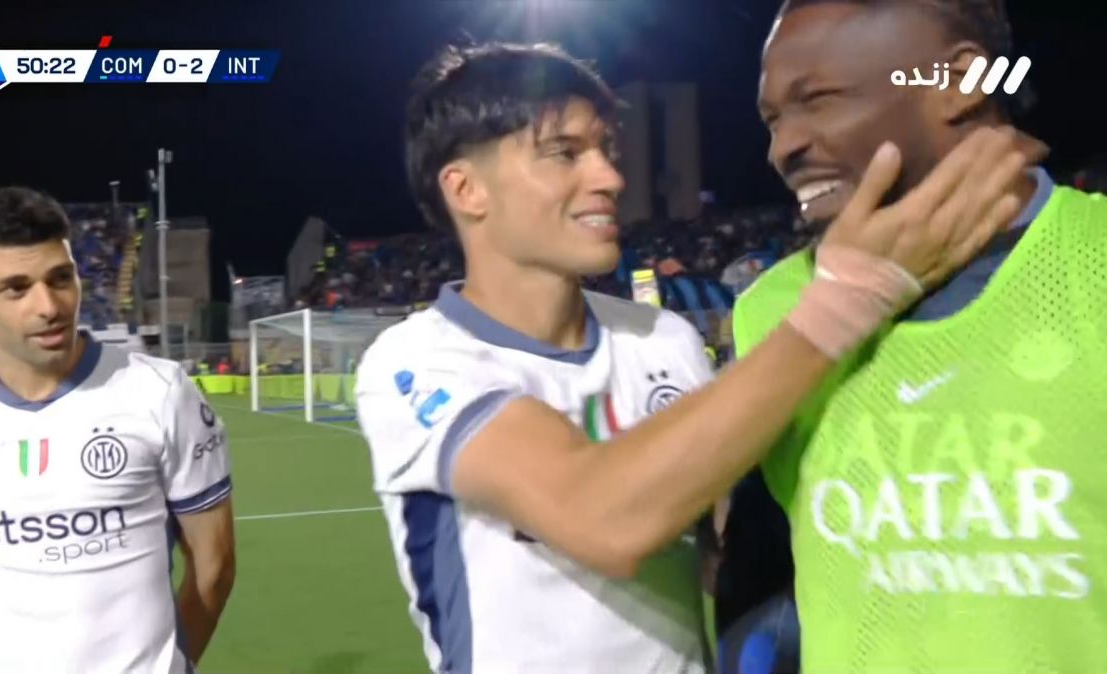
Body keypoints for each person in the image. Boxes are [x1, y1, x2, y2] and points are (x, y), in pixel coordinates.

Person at [354, 41, 1033, 673]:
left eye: (606, 149)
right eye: (564, 153)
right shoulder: (416, 363)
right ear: (466, 190)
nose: (609, 176)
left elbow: (719, 555)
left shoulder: (663, 339)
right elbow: (601, 516)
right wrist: (849, 298)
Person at [729, 0, 1107, 670]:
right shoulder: (772, 310)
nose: (783, 148)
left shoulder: (1094, 263)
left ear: (958, 81)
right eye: (773, 119)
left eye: (819, 99)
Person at [0, 187, 237, 674]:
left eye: (61, 278)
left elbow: (214, 564)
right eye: (16, 288)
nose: (48, 305)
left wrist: (177, 664)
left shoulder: (160, 393)